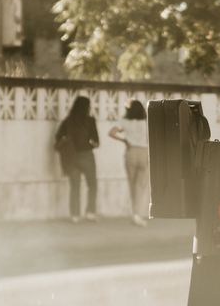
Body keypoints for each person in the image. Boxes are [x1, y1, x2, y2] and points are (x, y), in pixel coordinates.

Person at [55, 95, 99, 223]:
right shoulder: (90, 121)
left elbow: (58, 137)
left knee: (75, 186)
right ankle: (90, 212)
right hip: (87, 156)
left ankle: (75, 215)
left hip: (71, 157)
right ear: (87, 107)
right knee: (92, 185)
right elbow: (96, 142)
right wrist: (89, 144)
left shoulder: (68, 121)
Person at [109, 99, 150, 227]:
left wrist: (125, 141)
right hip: (144, 152)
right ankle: (137, 214)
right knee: (141, 186)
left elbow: (112, 133)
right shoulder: (146, 122)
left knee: (132, 185)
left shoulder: (124, 121)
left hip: (130, 152)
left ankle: (135, 213)